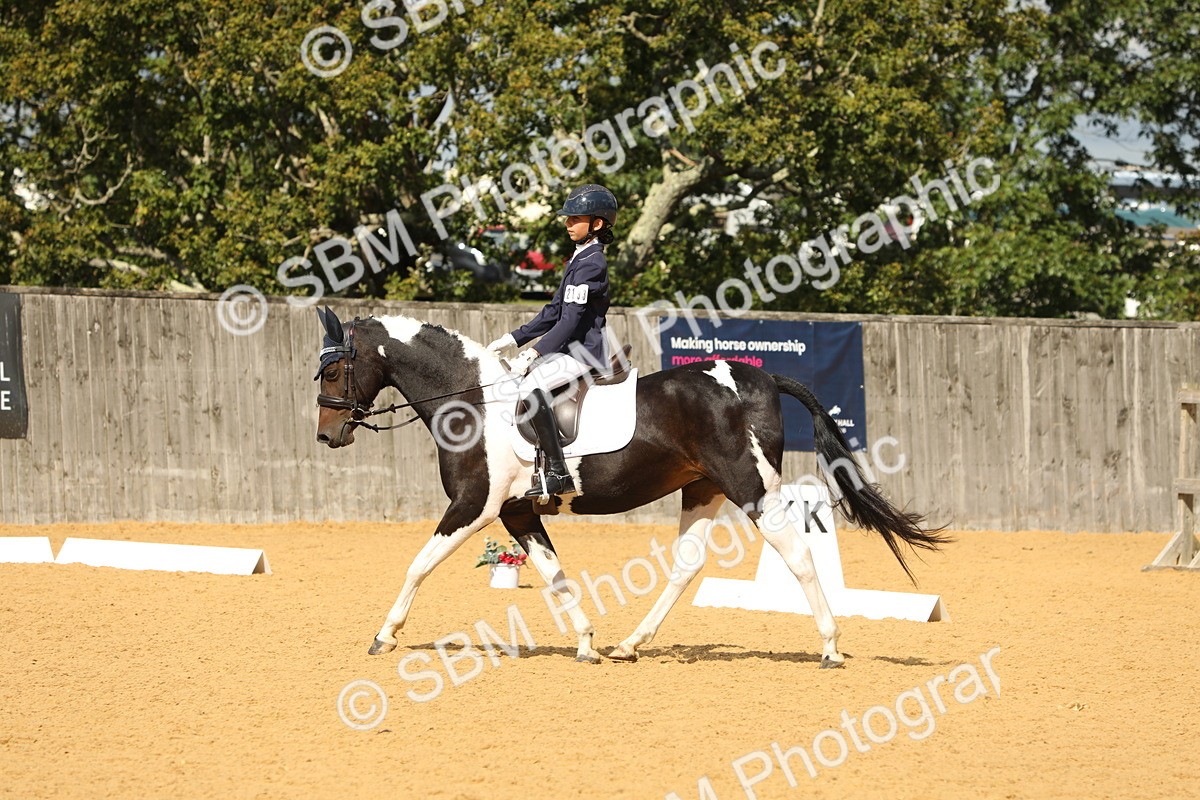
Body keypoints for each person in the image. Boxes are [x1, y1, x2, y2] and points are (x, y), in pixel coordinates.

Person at [487, 183, 618, 499]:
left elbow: (570, 321)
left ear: (597, 224)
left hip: (584, 352)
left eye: (575, 219)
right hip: (569, 349)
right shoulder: (578, 258)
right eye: (568, 219)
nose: (568, 224)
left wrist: (535, 353)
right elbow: (555, 310)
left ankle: (558, 473)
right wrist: (514, 338)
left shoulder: (592, 263)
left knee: (532, 388)